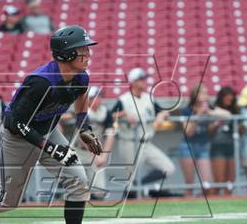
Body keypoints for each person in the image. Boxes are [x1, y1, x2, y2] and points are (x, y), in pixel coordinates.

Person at [0, 25, 102, 224]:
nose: (88, 54)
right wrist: (51, 148)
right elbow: (15, 122)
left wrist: (84, 128)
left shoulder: (81, 77)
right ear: (65, 53)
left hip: (47, 130)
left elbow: (81, 104)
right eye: (82, 50)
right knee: (7, 201)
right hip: (17, 137)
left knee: (78, 180)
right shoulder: (41, 82)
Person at [112, 68, 175, 198]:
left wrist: (161, 115)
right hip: (129, 143)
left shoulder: (149, 98)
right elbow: (112, 115)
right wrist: (121, 115)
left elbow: (164, 112)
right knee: (130, 181)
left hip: (147, 143)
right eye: (141, 79)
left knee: (168, 167)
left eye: (144, 78)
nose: (144, 81)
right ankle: (129, 200)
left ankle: (138, 185)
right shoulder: (123, 99)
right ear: (133, 82)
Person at [74, 86, 115, 199]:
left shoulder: (105, 112)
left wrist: (104, 156)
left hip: (97, 152)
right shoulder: (83, 112)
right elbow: (83, 136)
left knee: (100, 191)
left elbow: (110, 135)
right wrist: (95, 155)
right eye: (94, 97)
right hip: (80, 151)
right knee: (75, 186)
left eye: (99, 97)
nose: (97, 100)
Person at [178, 85, 214, 197]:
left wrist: (211, 116)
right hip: (187, 147)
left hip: (203, 146)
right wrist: (198, 115)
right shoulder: (187, 110)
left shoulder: (210, 109)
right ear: (195, 95)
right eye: (202, 93)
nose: (206, 96)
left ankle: (202, 205)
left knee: (207, 184)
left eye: (206, 93)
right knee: (189, 184)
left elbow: (226, 115)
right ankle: (187, 209)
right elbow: (188, 132)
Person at [208, 86, 238, 196]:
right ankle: (212, 205)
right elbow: (209, 130)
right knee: (219, 182)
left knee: (230, 182)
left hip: (231, 147)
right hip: (218, 147)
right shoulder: (214, 109)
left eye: (231, 100)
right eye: (227, 99)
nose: (229, 102)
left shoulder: (234, 110)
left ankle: (228, 204)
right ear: (221, 98)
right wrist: (217, 124)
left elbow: (239, 130)